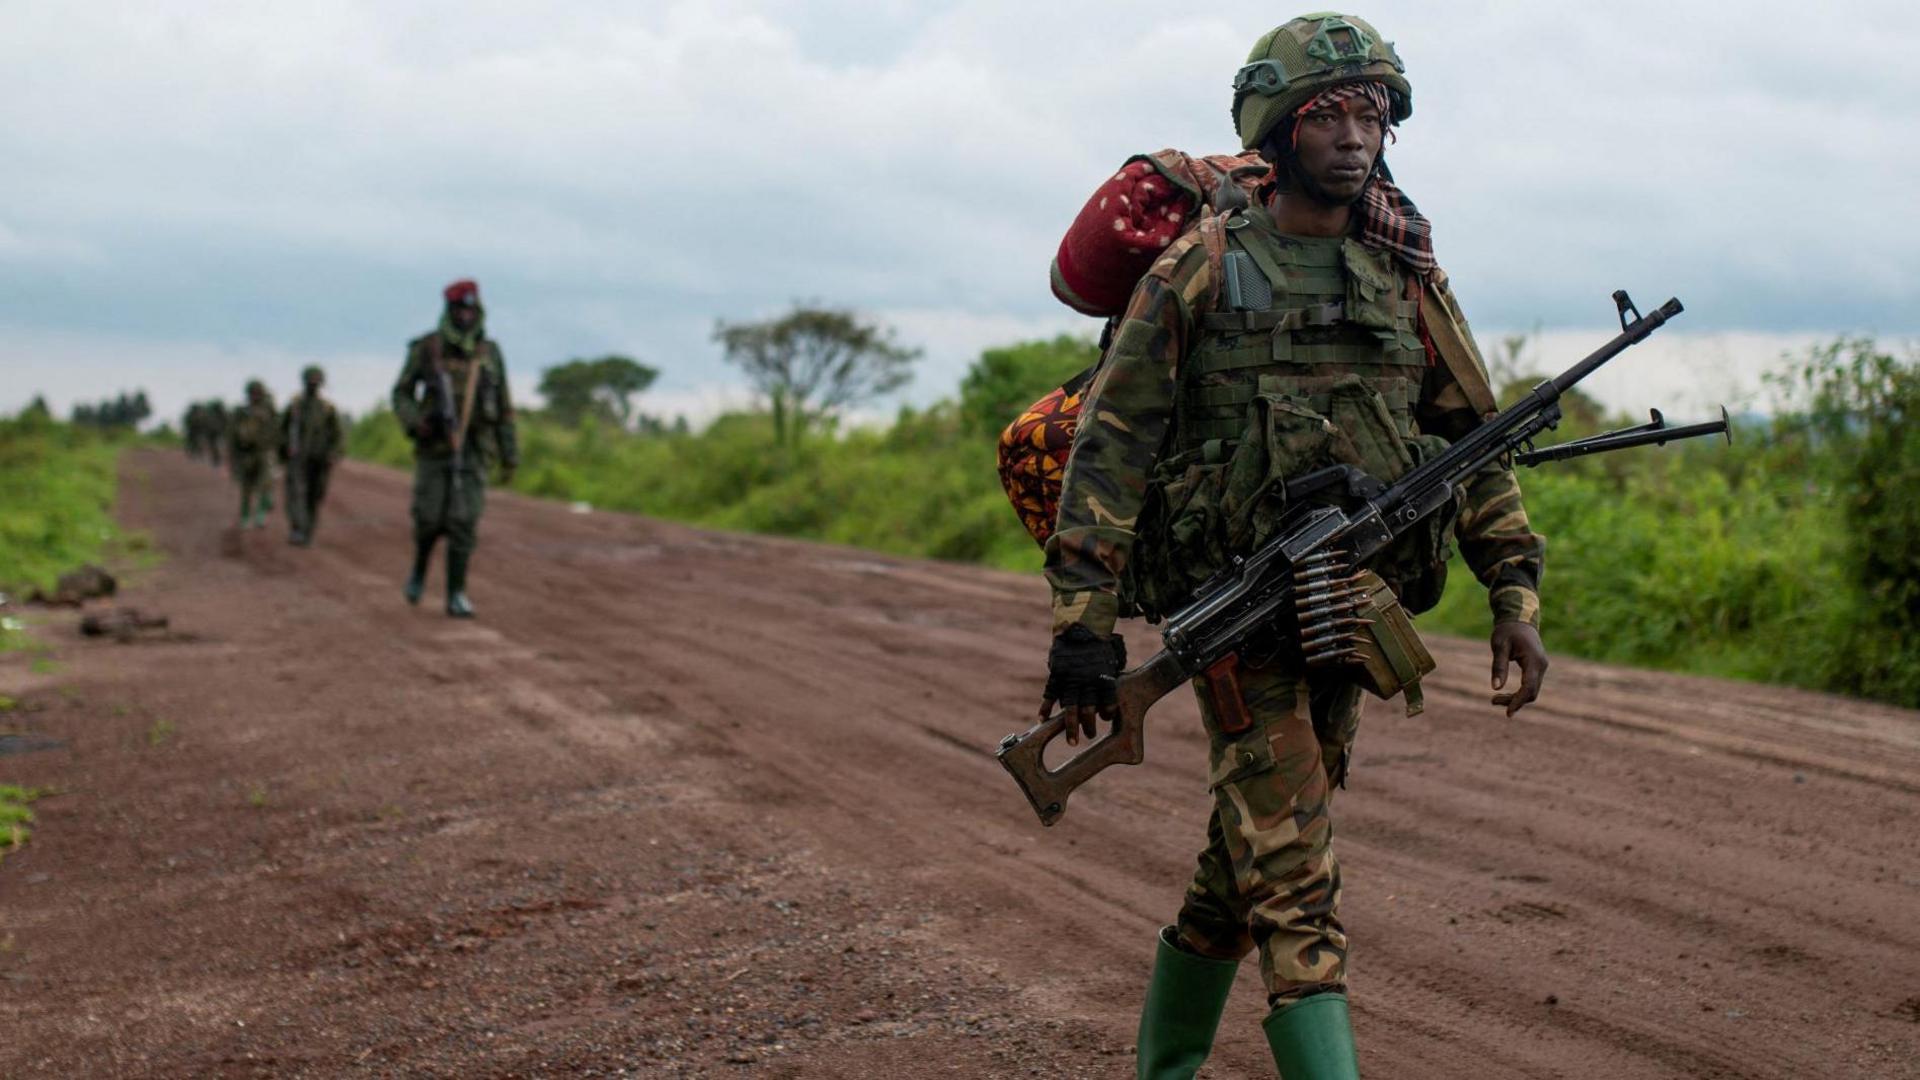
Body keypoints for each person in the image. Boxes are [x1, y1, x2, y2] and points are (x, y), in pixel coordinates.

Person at [1039, 15, 1549, 1078]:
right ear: (1279, 128)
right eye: (1332, 113)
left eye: (1374, 114)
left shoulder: (1398, 270)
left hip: (1348, 614)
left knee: (1248, 863)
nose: (1358, 135)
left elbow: (1474, 437)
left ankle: (1163, 1069)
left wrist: (1514, 587)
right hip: (1240, 623)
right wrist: (1082, 632)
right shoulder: (1202, 267)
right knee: (1299, 880)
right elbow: (1109, 451)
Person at [390, 279, 518, 617]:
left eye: (470, 309)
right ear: (449, 311)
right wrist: (416, 421)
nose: (465, 316)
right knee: (429, 519)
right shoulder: (428, 349)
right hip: (434, 448)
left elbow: (504, 406)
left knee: (464, 521)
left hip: (476, 448)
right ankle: (419, 569)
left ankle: (456, 593)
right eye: (459, 309)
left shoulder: (489, 354)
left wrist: (509, 455)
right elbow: (401, 392)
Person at [280, 364, 344, 547]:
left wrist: (334, 453)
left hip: (320, 460)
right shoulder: (295, 406)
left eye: (316, 381)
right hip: (297, 458)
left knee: (314, 496)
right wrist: (285, 450)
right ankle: (297, 529)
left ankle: (307, 532)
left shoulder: (327, 409)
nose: (313, 384)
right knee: (296, 494)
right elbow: (282, 430)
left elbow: (337, 435)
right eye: (310, 381)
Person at [228, 380, 279, 529]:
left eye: (258, 393)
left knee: (265, 486)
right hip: (246, 455)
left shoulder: (270, 411)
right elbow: (232, 435)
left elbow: (278, 432)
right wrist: (234, 456)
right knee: (246, 489)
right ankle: (245, 517)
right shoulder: (241, 412)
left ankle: (260, 515)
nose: (255, 396)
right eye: (252, 393)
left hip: (264, 453)